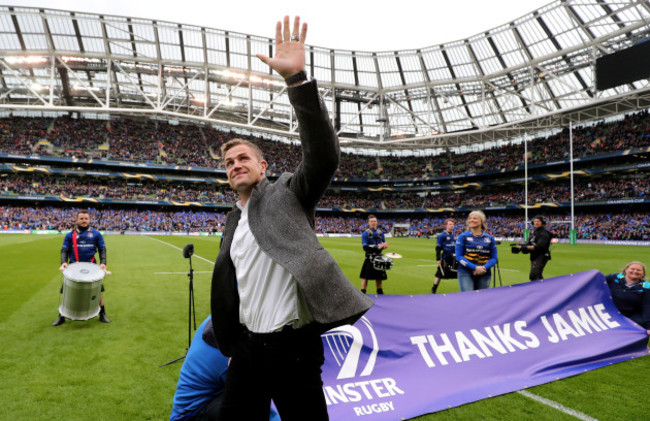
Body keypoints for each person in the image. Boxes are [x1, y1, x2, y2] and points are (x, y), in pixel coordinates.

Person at [209, 16, 373, 421]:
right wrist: (234, 348)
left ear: (263, 166)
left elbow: (324, 155)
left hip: (292, 350)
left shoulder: (287, 193)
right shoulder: (234, 220)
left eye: (243, 158)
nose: (234, 165)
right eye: (228, 162)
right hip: (248, 351)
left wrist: (297, 81)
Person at [170, 316, 280, 421]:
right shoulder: (227, 346)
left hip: (211, 400)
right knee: (248, 403)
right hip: (191, 416)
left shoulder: (224, 321)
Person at [53, 209, 110, 326]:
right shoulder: (70, 235)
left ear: (89, 220)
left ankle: (102, 314)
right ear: (77, 220)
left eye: (86, 218)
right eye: (81, 219)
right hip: (74, 267)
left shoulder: (96, 234)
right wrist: (64, 262)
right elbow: (64, 250)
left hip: (92, 267)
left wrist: (103, 262)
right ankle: (62, 316)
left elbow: (102, 249)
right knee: (67, 292)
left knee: (98, 291)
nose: (84, 221)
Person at [455, 210, 498, 292]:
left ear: (481, 221)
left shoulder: (490, 238)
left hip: (484, 273)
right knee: (468, 299)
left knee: (481, 300)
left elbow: (494, 258)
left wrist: (484, 268)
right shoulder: (462, 237)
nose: (472, 220)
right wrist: (475, 268)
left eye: (475, 218)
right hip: (465, 272)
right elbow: (459, 257)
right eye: (470, 218)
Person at [604, 261, 650, 335]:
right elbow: (597, 281)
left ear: (643, 274)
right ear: (626, 270)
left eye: (639, 270)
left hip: (631, 314)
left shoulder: (646, 287)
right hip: (610, 311)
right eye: (632, 269)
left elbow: (647, 306)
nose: (635, 271)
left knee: (639, 327)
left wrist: (648, 326)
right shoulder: (613, 277)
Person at [359, 215, 389, 294]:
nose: (373, 223)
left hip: (379, 257)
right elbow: (365, 247)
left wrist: (384, 246)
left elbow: (382, 244)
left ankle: (380, 294)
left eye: (374, 221)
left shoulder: (381, 233)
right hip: (370, 258)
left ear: (377, 222)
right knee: (365, 277)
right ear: (368, 223)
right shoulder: (365, 233)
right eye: (371, 221)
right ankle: (362, 294)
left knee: (379, 278)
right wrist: (378, 247)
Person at [522, 215, 552, 281]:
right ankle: (541, 290)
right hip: (535, 255)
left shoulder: (544, 233)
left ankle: (540, 290)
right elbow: (532, 243)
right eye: (535, 221)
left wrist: (526, 247)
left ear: (542, 222)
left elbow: (539, 246)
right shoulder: (536, 231)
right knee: (537, 276)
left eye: (538, 221)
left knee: (534, 276)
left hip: (541, 255)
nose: (536, 223)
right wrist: (522, 247)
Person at [431, 219, 456, 294]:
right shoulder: (442, 235)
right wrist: (438, 258)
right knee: (439, 274)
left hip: (454, 258)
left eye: (453, 224)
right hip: (445, 258)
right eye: (450, 224)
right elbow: (438, 248)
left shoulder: (453, 235)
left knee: (460, 272)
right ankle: (434, 289)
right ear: (446, 226)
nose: (452, 226)